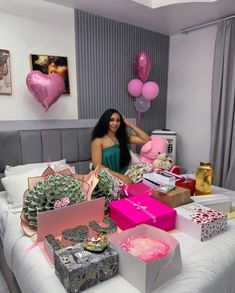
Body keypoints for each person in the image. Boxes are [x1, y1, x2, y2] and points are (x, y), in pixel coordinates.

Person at [91, 108, 150, 185]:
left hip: (123, 173)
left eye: (118, 120)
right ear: (106, 121)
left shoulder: (122, 137)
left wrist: (130, 125)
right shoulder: (98, 140)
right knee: (120, 185)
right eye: (111, 120)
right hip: (107, 176)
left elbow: (147, 140)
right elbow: (97, 166)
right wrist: (121, 177)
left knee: (147, 166)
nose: (115, 123)